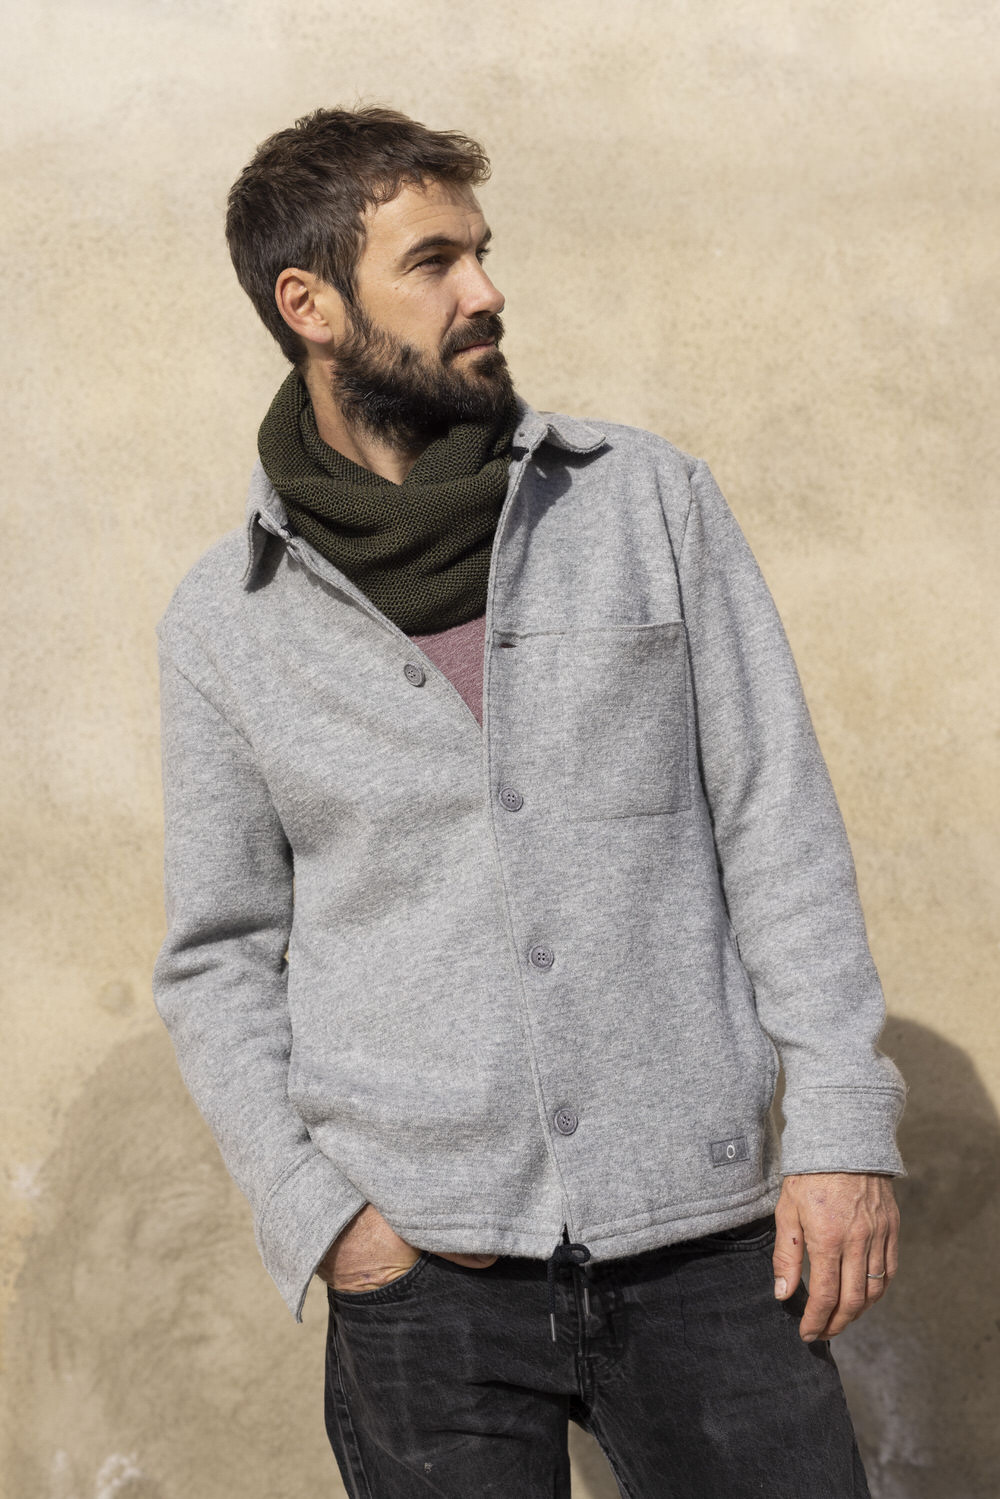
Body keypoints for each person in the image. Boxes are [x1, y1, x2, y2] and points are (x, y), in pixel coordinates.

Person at [152, 105, 905, 1498]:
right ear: (309, 306)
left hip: (709, 1246)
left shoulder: (646, 505)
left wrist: (845, 1130)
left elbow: (777, 824)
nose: (486, 291)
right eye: (434, 262)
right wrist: (325, 1220)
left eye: (482, 252)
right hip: (421, 1281)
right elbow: (218, 956)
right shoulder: (225, 621)